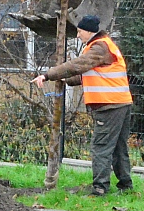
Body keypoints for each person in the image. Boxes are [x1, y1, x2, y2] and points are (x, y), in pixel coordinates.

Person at [30, 15, 133, 195]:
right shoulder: (104, 46)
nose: (78, 35)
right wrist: (66, 79)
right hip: (120, 103)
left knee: (101, 147)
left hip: (109, 106)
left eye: (79, 31)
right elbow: (89, 74)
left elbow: (77, 65)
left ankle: (100, 188)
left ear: (89, 31)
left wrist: (48, 75)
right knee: (118, 147)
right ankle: (125, 185)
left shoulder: (99, 47)